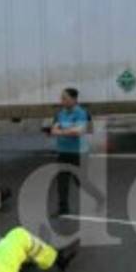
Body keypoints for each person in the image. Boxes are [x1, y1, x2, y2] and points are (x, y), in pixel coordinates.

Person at [47, 87, 105, 217]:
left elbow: (78, 132)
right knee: (62, 182)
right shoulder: (60, 114)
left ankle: (100, 198)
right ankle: (63, 209)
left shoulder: (81, 113)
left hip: (79, 153)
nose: (62, 101)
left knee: (82, 182)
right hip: (63, 152)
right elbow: (53, 131)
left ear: (74, 99)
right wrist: (69, 130)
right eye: (62, 98)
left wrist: (61, 131)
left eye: (65, 98)